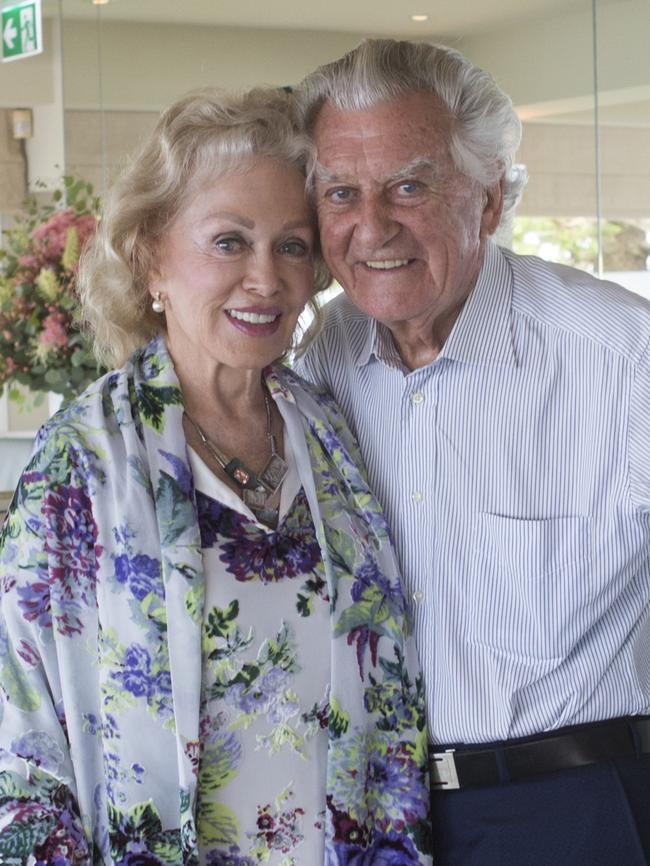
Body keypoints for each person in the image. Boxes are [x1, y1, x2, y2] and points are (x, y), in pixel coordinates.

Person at [0, 87, 433, 865]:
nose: (265, 279)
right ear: (149, 257)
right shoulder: (82, 460)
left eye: (292, 245)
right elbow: (20, 739)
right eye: (229, 242)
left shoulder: (329, 431)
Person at [294, 38, 650, 866]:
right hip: (376, 817)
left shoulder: (622, 358)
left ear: (489, 201)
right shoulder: (321, 361)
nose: (372, 226)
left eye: (409, 187)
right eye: (341, 192)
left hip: (574, 811)